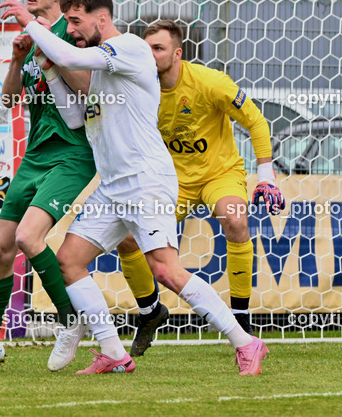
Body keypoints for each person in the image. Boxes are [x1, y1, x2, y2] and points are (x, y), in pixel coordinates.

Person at [0, 0, 269, 376]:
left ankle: (247, 343)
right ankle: (113, 351)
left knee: (166, 271)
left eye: (76, 21)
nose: (71, 29)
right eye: (69, 21)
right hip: (113, 185)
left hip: (145, 180)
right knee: (70, 261)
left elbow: (69, 52)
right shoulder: (101, 65)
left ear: (101, 19)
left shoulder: (129, 48)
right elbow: (76, 116)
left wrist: (32, 25)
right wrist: (48, 68)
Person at [0, 0, 97, 374]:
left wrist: (42, 44)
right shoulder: (33, 38)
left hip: (73, 152)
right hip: (35, 153)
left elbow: (88, 89)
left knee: (28, 238)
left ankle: (70, 319)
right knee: (0, 249)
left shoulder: (72, 33)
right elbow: (8, 101)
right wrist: (18, 59)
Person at [121, 19, 284, 355]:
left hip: (218, 174)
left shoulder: (210, 82)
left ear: (177, 53)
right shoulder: (137, 89)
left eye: (158, 48)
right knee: (125, 237)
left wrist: (266, 173)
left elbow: (255, 120)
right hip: (170, 180)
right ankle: (150, 312)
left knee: (235, 218)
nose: (150, 56)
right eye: (146, 48)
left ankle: (240, 317)